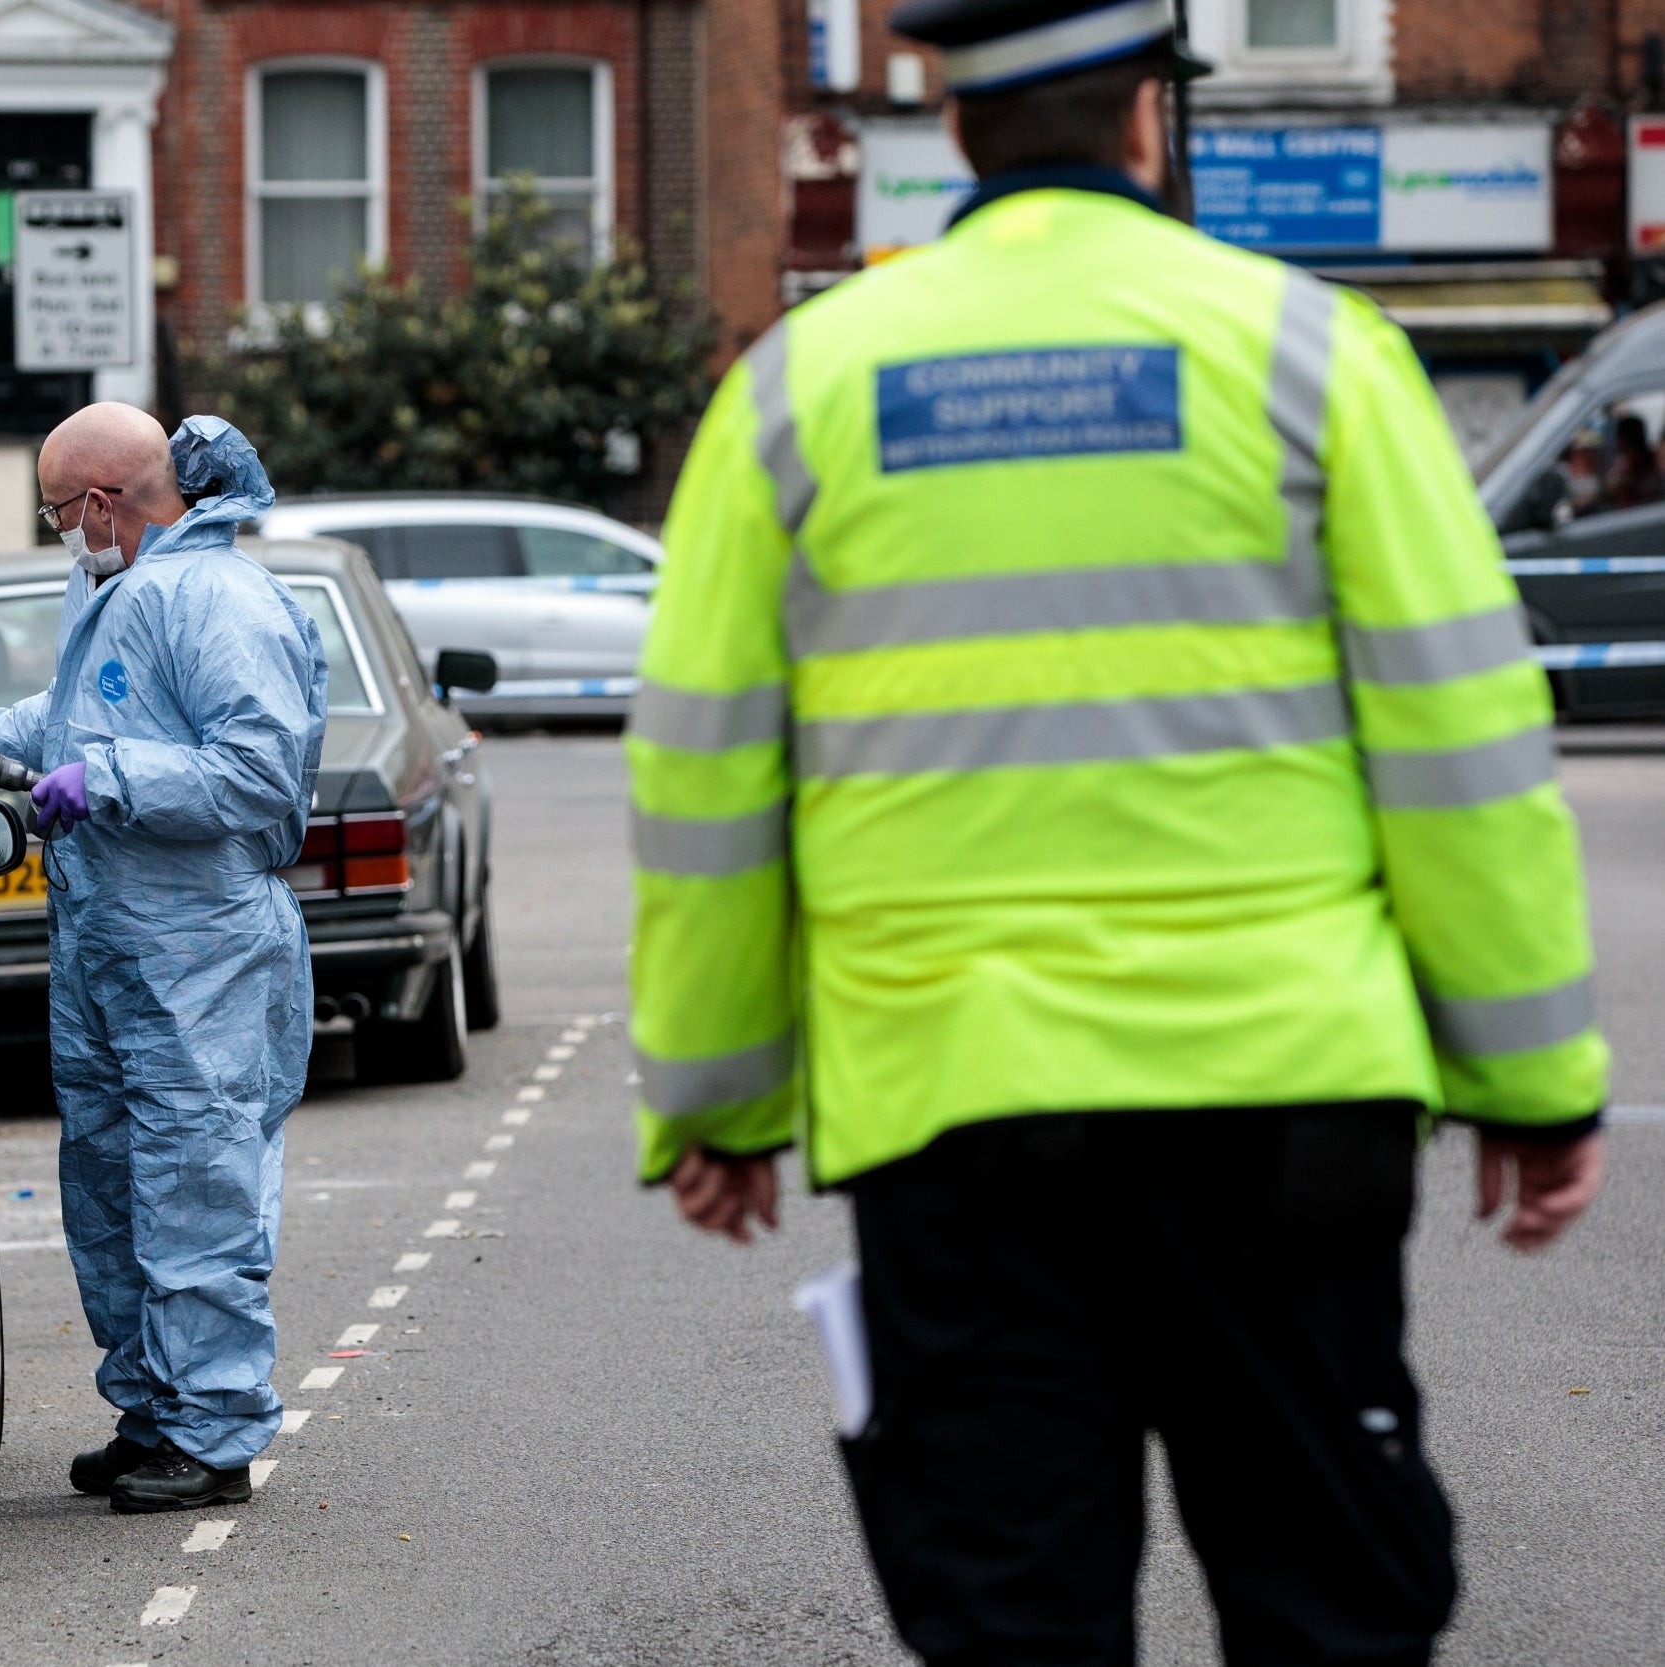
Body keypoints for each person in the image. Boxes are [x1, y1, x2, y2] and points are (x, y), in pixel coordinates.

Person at [627, 2, 1610, 1661]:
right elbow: (1458, 740)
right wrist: (1530, 1077)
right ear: (1149, 124)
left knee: (1016, 1616)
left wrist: (720, 1098)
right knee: (1333, 1604)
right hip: (1284, 1098)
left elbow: (711, 777)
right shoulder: (1311, 353)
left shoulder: (801, 390)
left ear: (957, 131)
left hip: (957, 1113)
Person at [0, 404, 327, 1514]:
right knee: (115, 1187)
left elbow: (261, 774)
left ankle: (212, 1432)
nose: (58, 531)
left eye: (56, 510)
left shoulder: (216, 599)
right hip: (118, 942)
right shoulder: (122, 586)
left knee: (193, 1183)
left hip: (199, 947)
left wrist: (113, 782)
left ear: (98, 502)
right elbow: (72, 714)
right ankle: (155, 1411)